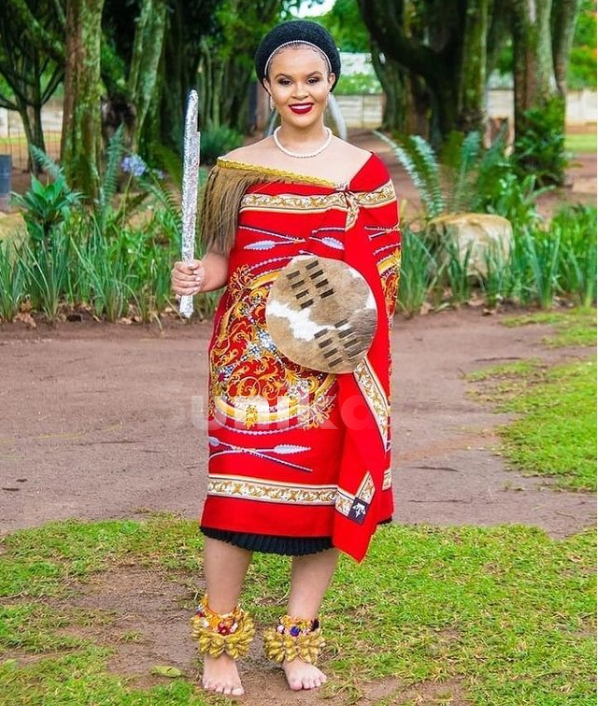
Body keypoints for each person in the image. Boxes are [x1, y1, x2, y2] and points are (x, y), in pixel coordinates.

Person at [171, 19, 401, 697]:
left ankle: (298, 638)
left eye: (311, 78)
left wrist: (327, 332)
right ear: (267, 86)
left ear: (331, 80)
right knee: (235, 497)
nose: (299, 92)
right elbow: (220, 261)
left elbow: (379, 282)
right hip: (249, 363)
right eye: (284, 80)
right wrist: (197, 276)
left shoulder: (365, 174)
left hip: (332, 362)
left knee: (321, 502)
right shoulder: (237, 169)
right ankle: (221, 644)